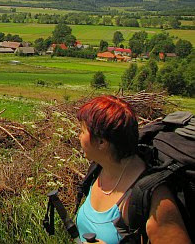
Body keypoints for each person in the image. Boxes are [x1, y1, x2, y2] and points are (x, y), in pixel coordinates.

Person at [75, 95, 190, 244]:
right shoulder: (99, 169)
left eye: (82, 131)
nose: (79, 136)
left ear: (102, 142)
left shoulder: (153, 198)